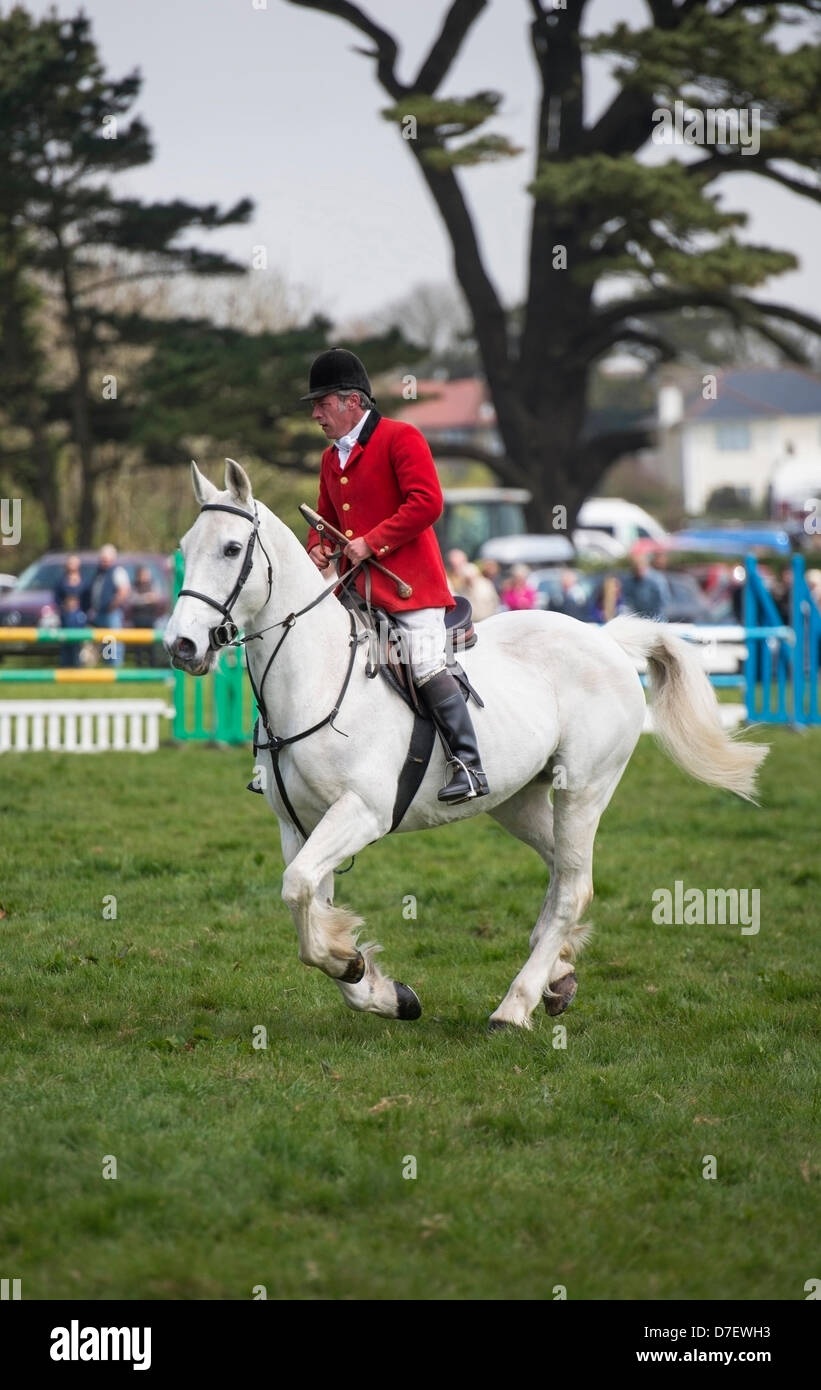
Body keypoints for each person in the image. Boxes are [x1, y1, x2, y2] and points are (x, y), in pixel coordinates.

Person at [303, 347, 488, 804]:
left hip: (410, 589)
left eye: (322, 404)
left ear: (352, 402)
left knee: (424, 660)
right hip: (356, 592)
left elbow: (427, 502)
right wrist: (318, 548)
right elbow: (324, 518)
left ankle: (469, 764)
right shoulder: (332, 459)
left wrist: (371, 542)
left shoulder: (401, 437)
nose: (315, 414)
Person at [86, 544, 130, 667]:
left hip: (112, 613)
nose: (103, 562)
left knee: (113, 641)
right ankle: (107, 666)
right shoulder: (99, 572)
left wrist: (113, 605)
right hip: (99, 613)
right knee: (105, 642)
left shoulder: (117, 571)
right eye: (102, 559)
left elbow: (124, 591)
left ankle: (115, 666)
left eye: (105, 559)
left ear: (112, 558)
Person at [54, 555, 86, 668]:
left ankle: (77, 666)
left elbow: (88, 599)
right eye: (70, 563)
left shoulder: (84, 581)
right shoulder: (61, 581)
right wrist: (65, 605)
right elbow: (56, 599)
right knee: (65, 643)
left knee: (78, 644)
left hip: (79, 617)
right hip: (65, 617)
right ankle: (65, 666)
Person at [130, 565, 163, 667]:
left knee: (151, 644)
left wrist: (144, 599)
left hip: (150, 618)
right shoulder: (134, 585)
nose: (145, 576)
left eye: (146, 574)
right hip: (138, 618)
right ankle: (139, 666)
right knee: (138, 645)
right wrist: (147, 598)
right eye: (143, 574)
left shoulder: (153, 584)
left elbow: (157, 597)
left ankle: (152, 665)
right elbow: (133, 600)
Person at [620, 553, 667, 619]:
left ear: (646, 565)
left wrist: (654, 618)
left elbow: (663, 601)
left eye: (640, 566)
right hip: (638, 619)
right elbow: (627, 600)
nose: (637, 570)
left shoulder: (657, 579)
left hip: (655, 618)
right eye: (635, 568)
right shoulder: (630, 580)